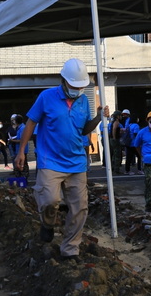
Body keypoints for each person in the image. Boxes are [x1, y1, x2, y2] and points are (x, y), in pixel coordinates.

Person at [14, 58, 107, 262]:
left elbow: (83, 129)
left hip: (77, 162)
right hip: (50, 160)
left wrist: (98, 118)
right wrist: (21, 151)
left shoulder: (84, 101)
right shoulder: (46, 97)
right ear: (63, 80)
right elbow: (31, 123)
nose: (78, 90)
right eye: (74, 86)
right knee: (50, 200)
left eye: (81, 86)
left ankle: (70, 249)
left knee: (80, 208)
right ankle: (47, 223)